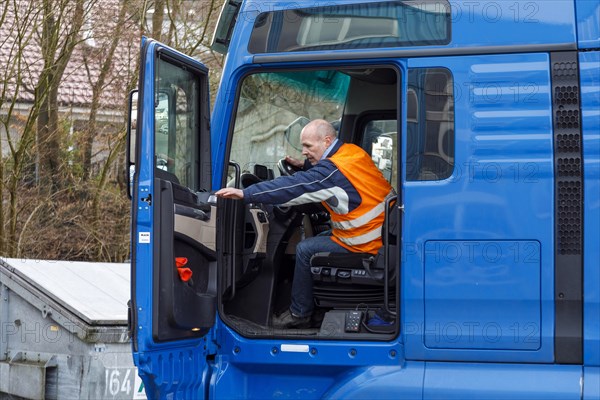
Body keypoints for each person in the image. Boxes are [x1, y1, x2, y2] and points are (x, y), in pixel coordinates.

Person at [215, 119, 394, 328]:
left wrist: (246, 193)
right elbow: (323, 174)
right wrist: (306, 166)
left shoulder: (331, 172)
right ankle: (314, 306)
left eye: (308, 146)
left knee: (304, 249)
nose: (304, 151)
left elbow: (294, 186)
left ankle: (300, 314)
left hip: (366, 243)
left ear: (327, 141)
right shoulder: (351, 153)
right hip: (380, 233)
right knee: (318, 239)